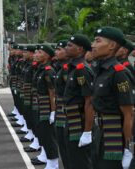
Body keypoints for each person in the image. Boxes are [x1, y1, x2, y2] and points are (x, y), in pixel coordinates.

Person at [91, 26, 134, 169]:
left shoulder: (119, 73)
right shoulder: (100, 70)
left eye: (97, 41)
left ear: (112, 46)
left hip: (113, 135)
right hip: (98, 131)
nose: (92, 45)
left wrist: (128, 149)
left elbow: (128, 113)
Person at [64, 34, 95, 169]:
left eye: (70, 46)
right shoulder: (74, 67)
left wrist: (87, 131)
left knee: (80, 161)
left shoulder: (82, 70)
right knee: (72, 157)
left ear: (80, 49)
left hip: (79, 121)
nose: (66, 48)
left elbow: (89, 101)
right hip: (71, 118)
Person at [31, 44, 59, 168]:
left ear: (47, 55)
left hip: (47, 108)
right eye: (36, 52)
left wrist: (53, 111)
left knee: (49, 136)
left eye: (39, 52)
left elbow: (52, 93)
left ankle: (53, 164)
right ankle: (47, 159)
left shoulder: (49, 71)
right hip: (40, 106)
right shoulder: (41, 69)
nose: (36, 55)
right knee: (43, 134)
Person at [54, 40, 71, 169]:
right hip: (60, 108)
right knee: (63, 146)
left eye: (60, 49)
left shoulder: (68, 69)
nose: (57, 52)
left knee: (70, 151)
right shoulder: (61, 67)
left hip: (68, 112)